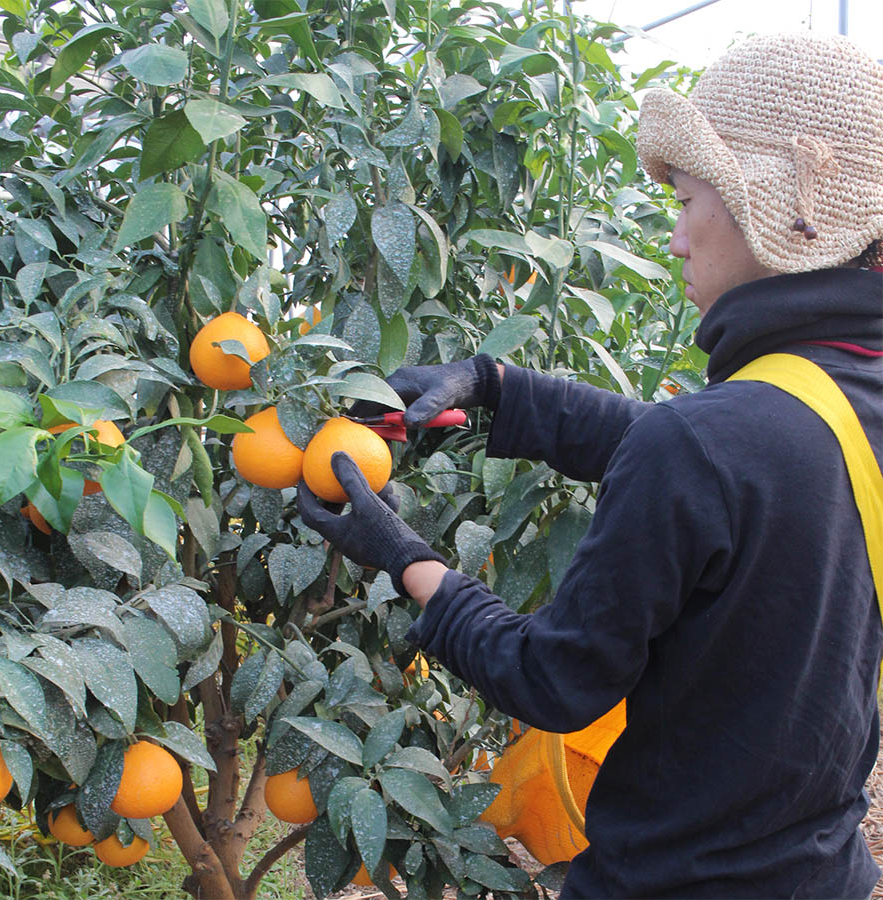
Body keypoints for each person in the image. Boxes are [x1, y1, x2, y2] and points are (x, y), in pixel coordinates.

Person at [298, 32, 883, 898]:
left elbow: (554, 679)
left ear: (769, 213)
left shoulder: (715, 442)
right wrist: (497, 386)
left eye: (687, 201)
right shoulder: (840, 399)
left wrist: (411, 563)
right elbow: (720, 470)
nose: (678, 239)